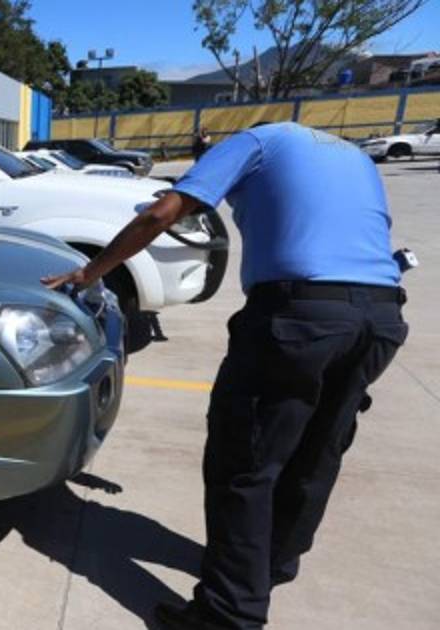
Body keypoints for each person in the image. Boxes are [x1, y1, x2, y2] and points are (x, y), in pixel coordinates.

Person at [44, 122, 409, 630]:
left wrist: (90, 272)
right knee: (316, 452)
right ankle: (271, 564)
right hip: (380, 316)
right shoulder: (355, 156)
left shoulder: (255, 142)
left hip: (301, 317)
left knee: (245, 464)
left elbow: (162, 213)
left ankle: (228, 614)